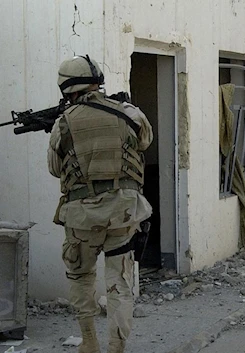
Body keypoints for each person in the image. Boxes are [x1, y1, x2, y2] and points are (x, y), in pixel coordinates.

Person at [47, 55, 153, 353]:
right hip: (123, 213)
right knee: (119, 283)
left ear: (67, 90)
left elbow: (55, 169)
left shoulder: (64, 123)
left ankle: (90, 343)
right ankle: (116, 347)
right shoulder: (131, 113)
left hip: (82, 218)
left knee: (81, 276)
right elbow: (144, 142)